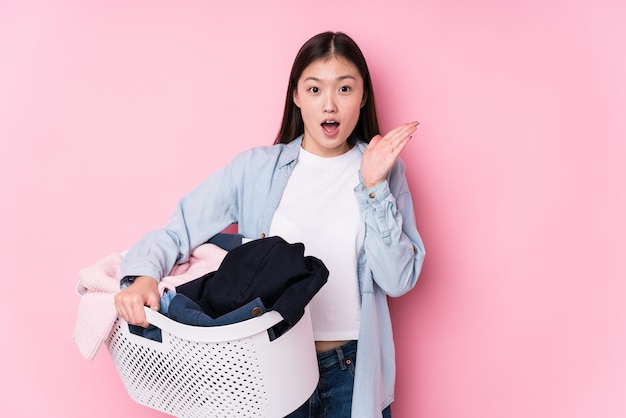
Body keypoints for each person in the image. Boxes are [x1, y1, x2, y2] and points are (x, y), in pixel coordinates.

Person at [114, 31, 425, 418]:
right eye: (314, 89)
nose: (329, 104)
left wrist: (375, 187)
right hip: (267, 368)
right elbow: (179, 230)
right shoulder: (256, 170)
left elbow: (398, 280)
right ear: (296, 95)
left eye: (344, 88)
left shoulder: (383, 170)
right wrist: (141, 276)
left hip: (351, 370)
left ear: (362, 96)